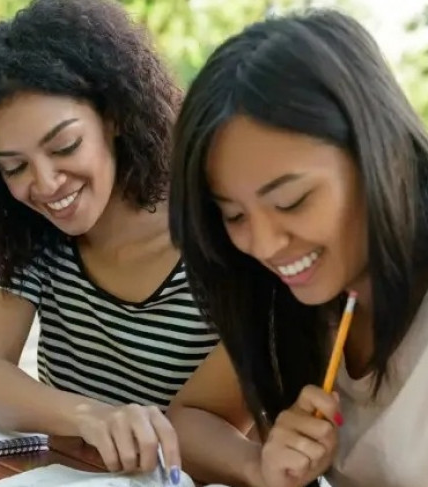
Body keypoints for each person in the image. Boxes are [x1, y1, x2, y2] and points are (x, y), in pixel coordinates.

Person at [0, 0, 219, 480]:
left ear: (115, 116)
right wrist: (92, 416)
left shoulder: (215, 239)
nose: (45, 185)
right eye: (15, 167)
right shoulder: (35, 237)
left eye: (64, 146)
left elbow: (209, 435)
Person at [167, 9, 428, 487]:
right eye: (234, 215)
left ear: (377, 152)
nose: (264, 245)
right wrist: (259, 465)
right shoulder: (290, 298)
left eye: (292, 200)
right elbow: (189, 420)